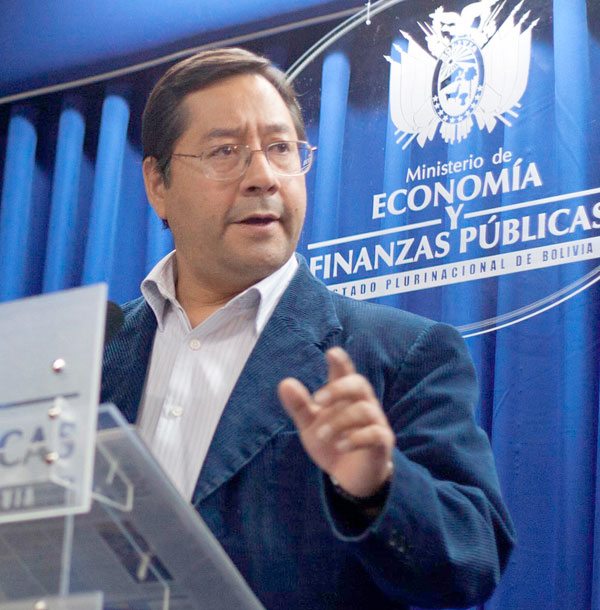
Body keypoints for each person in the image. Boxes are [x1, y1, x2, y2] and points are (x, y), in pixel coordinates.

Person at [102, 47, 514, 609]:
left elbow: (471, 559)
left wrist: (376, 488)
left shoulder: (399, 352)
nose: (263, 178)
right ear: (158, 184)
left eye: (280, 149)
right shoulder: (95, 350)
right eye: (225, 151)